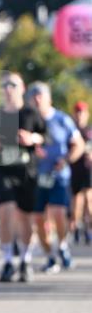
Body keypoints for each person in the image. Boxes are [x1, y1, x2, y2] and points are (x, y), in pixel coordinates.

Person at [0, 72, 45, 283]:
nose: (8, 89)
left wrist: (33, 138)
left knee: (25, 218)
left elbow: (44, 137)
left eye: (12, 84)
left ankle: (25, 260)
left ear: (22, 88)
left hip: (26, 171)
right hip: (3, 170)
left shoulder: (30, 113)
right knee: (6, 212)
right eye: (4, 85)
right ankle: (8, 260)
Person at [27, 82, 85, 273]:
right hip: (36, 176)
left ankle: (61, 246)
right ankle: (50, 256)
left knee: (59, 213)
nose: (37, 99)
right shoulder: (28, 120)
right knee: (37, 218)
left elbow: (78, 145)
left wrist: (66, 159)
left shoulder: (62, 119)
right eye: (33, 95)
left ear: (48, 98)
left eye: (40, 95)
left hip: (59, 175)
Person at [70, 101, 92, 244]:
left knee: (89, 200)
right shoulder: (71, 130)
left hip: (88, 170)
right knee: (76, 201)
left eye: (82, 112)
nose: (80, 115)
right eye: (77, 112)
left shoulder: (90, 131)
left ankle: (89, 229)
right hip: (75, 169)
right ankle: (76, 227)